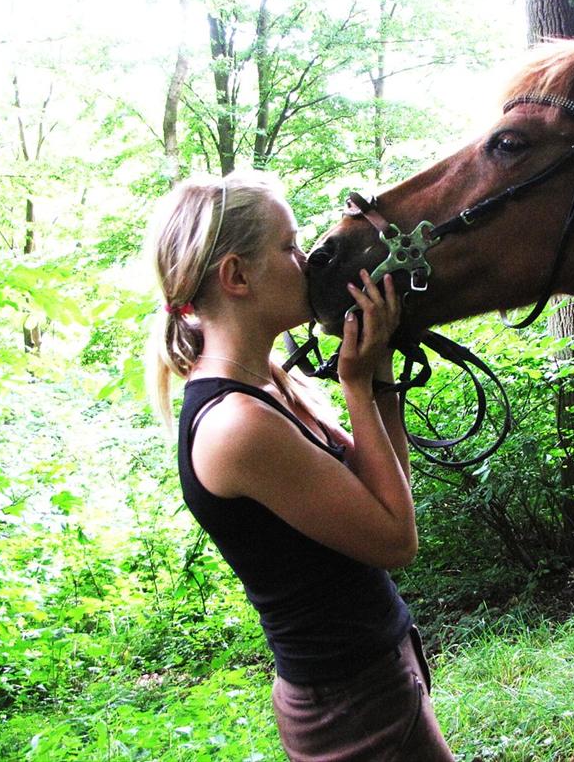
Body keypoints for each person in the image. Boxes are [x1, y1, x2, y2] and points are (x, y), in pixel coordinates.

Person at [146, 170, 453, 761]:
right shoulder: (238, 424)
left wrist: (378, 370)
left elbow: (388, 494)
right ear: (236, 276)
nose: (307, 259)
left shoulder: (272, 383)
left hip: (376, 677)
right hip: (351, 707)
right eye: (288, 246)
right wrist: (357, 388)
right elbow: (396, 542)